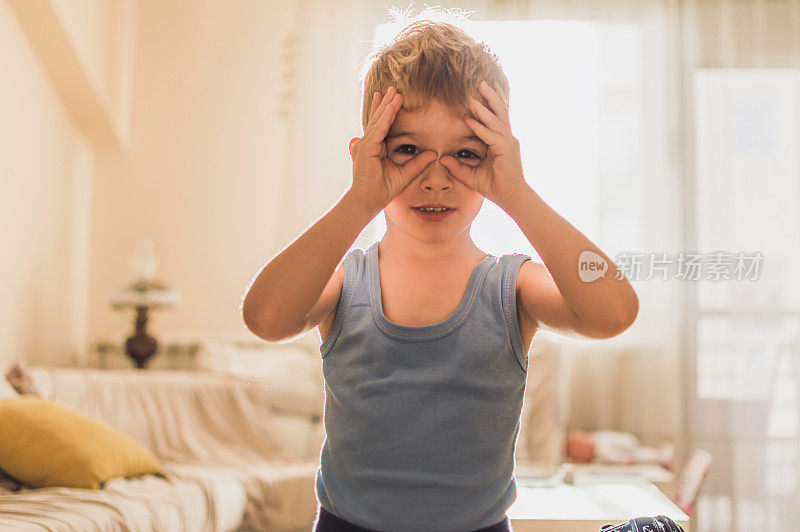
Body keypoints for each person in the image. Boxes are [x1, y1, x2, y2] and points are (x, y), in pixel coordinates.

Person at [241, 7, 639, 532]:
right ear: (369, 155)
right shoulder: (346, 284)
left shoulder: (510, 287)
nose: (436, 178)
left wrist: (518, 195)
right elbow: (265, 317)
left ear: (496, 160)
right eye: (407, 150)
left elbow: (613, 310)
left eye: (466, 154)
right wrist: (359, 200)